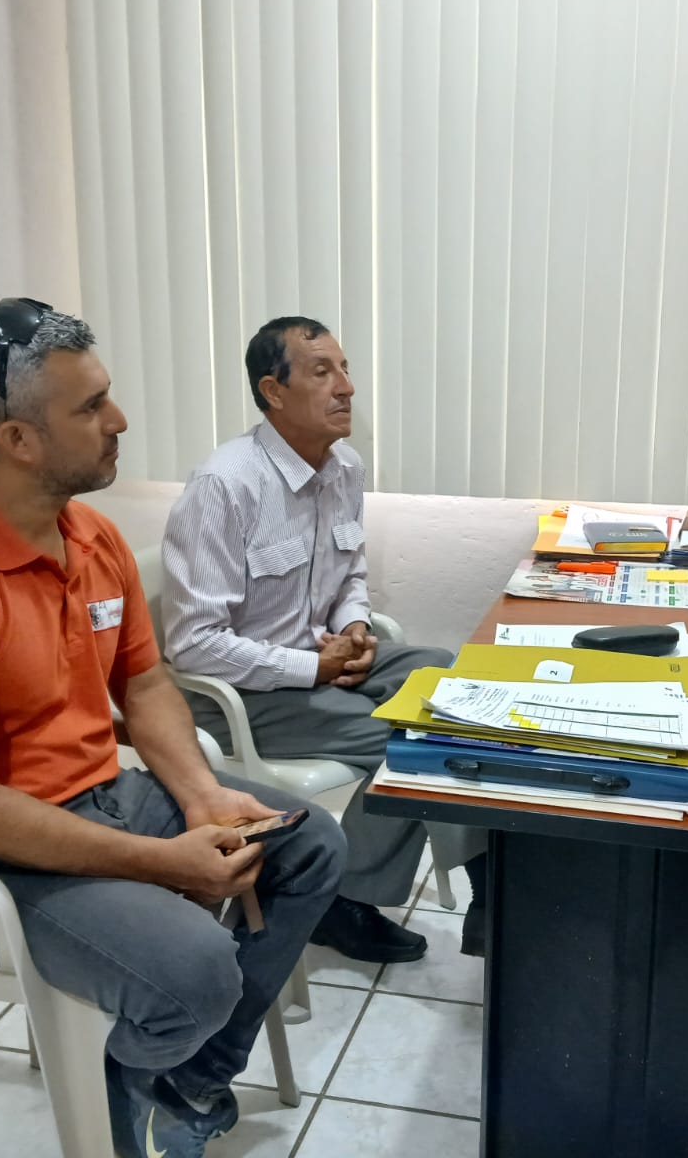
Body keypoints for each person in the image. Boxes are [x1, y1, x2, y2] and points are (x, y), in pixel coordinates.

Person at [0, 300, 344, 1158]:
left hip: (98, 798)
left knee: (309, 846)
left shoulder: (91, 536)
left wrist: (200, 796)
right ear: (17, 439)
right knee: (195, 968)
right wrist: (163, 862)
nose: (119, 420)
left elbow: (143, 684)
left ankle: (185, 1079)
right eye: (90, 407)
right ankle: (131, 1082)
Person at [161, 316, 488, 962]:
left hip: (321, 657)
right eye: (322, 372)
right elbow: (194, 645)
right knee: (409, 740)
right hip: (241, 693)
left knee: (453, 681)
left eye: (344, 369)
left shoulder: (343, 469)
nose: (346, 387)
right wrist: (312, 669)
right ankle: (348, 901)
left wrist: (356, 626)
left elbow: (349, 574)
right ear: (273, 391)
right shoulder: (225, 486)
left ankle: (487, 887)